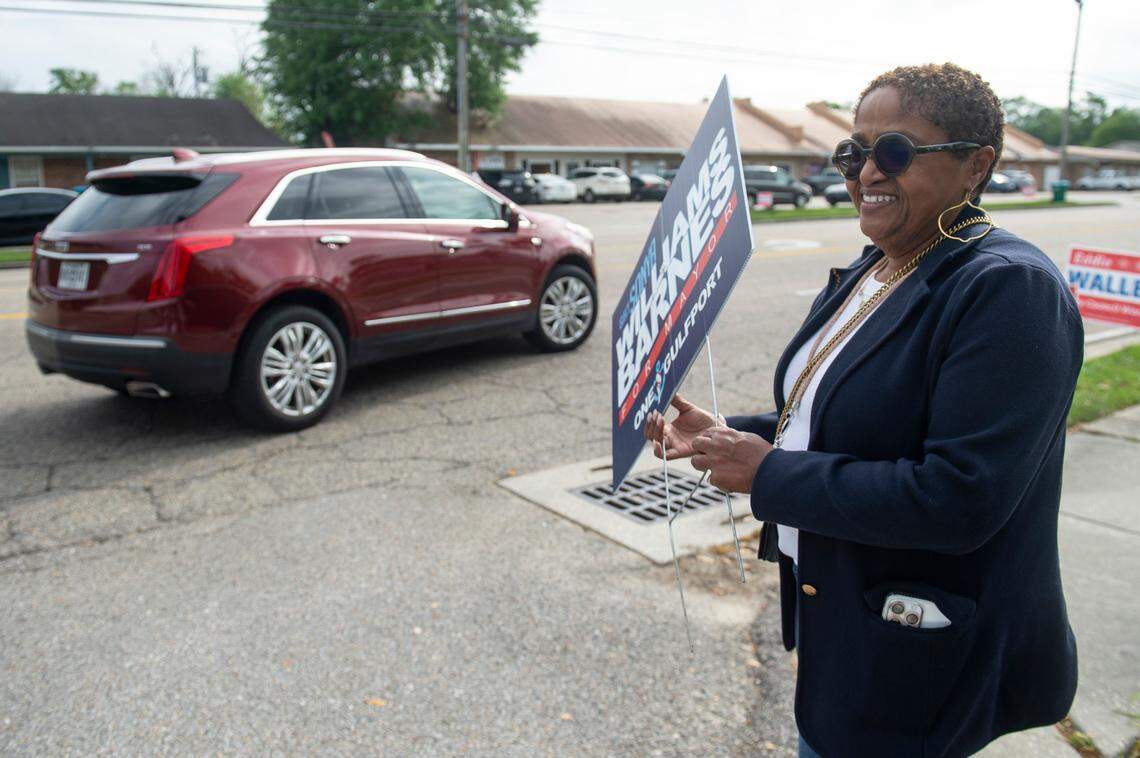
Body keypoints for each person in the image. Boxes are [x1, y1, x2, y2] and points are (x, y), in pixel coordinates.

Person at [645, 63, 1082, 757]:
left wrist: (769, 476)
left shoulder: (1007, 290)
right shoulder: (875, 265)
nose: (866, 172)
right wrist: (734, 438)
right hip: (842, 617)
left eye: (896, 152)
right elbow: (846, 415)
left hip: (918, 656)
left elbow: (959, 497)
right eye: (854, 153)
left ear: (976, 166)